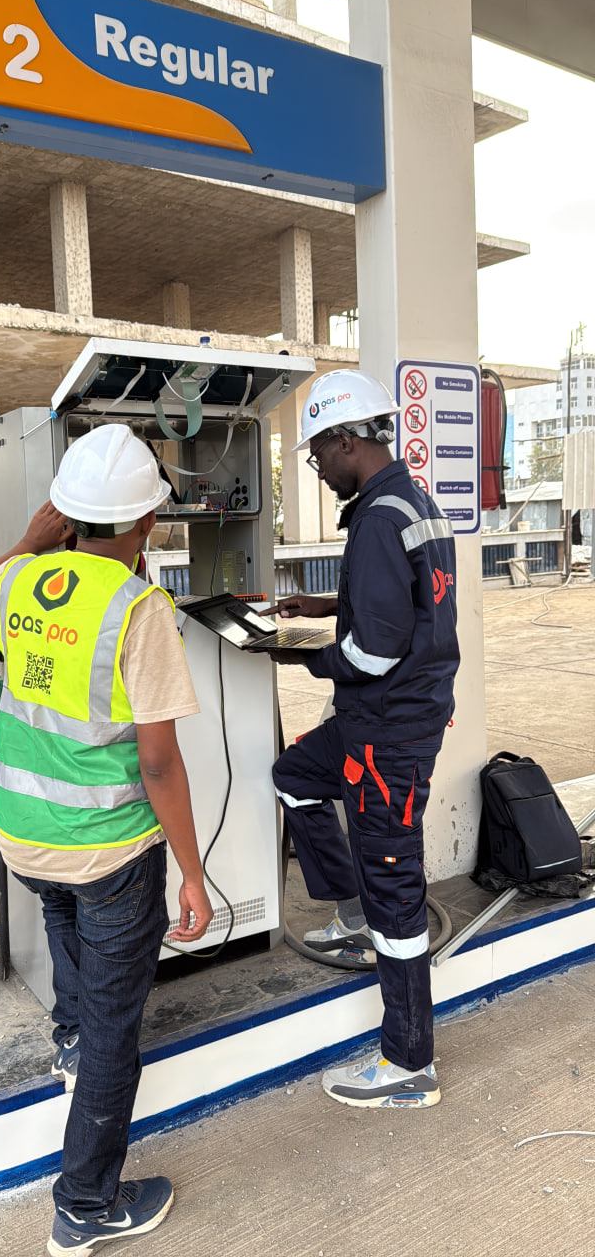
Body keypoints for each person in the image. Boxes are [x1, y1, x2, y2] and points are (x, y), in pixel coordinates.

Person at [0, 423, 213, 1257]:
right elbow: (161, 768)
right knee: (115, 1029)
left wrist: (29, 540)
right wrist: (194, 873)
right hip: (108, 854)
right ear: (144, 526)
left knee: (66, 941)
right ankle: (87, 1204)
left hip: (22, 837)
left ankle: (69, 1037)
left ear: (65, 513)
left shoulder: (22, 582)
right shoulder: (140, 613)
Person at [267, 369, 459, 1110]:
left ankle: (409, 1064)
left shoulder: (378, 518)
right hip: (383, 718)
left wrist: (296, 651)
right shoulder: (405, 500)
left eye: (319, 452)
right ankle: (348, 910)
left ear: (349, 440)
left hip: (386, 733)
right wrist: (322, 603)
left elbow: (375, 651)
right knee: (293, 777)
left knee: (398, 895)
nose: (317, 466)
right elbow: (408, 603)